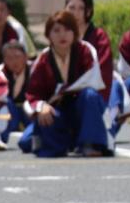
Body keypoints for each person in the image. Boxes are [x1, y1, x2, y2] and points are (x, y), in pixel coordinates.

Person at [19, 10, 111, 158]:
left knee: (90, 95)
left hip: (82, 108)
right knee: (25, 142)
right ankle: (69, 142)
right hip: (57, 112)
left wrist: (64, 92)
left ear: (74, 33)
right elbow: (32, 95)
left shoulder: (86, 51)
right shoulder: (42, 60)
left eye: (67, 30)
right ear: (48, 35)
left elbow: (93, 81)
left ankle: (90, 143)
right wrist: (42, 106)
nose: (62, 35)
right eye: (56, 31)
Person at [65, 0, 130, 136]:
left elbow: (102, 73)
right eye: (71, 8)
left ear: (88, 11)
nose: (75, 13)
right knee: (29, 142)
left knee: (113, 86)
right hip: (67, 98)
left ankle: (108, 123)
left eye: (80, 8)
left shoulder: (99, 36)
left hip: (93, 95)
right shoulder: (59, 35)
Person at [0, 40, 32, 143]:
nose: (14, 61)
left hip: (29, 109)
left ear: (26, 57)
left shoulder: (34, 70)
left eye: (17, 57)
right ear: (4, 60)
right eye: (9, 58)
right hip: (11, 110)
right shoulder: (0, 73)